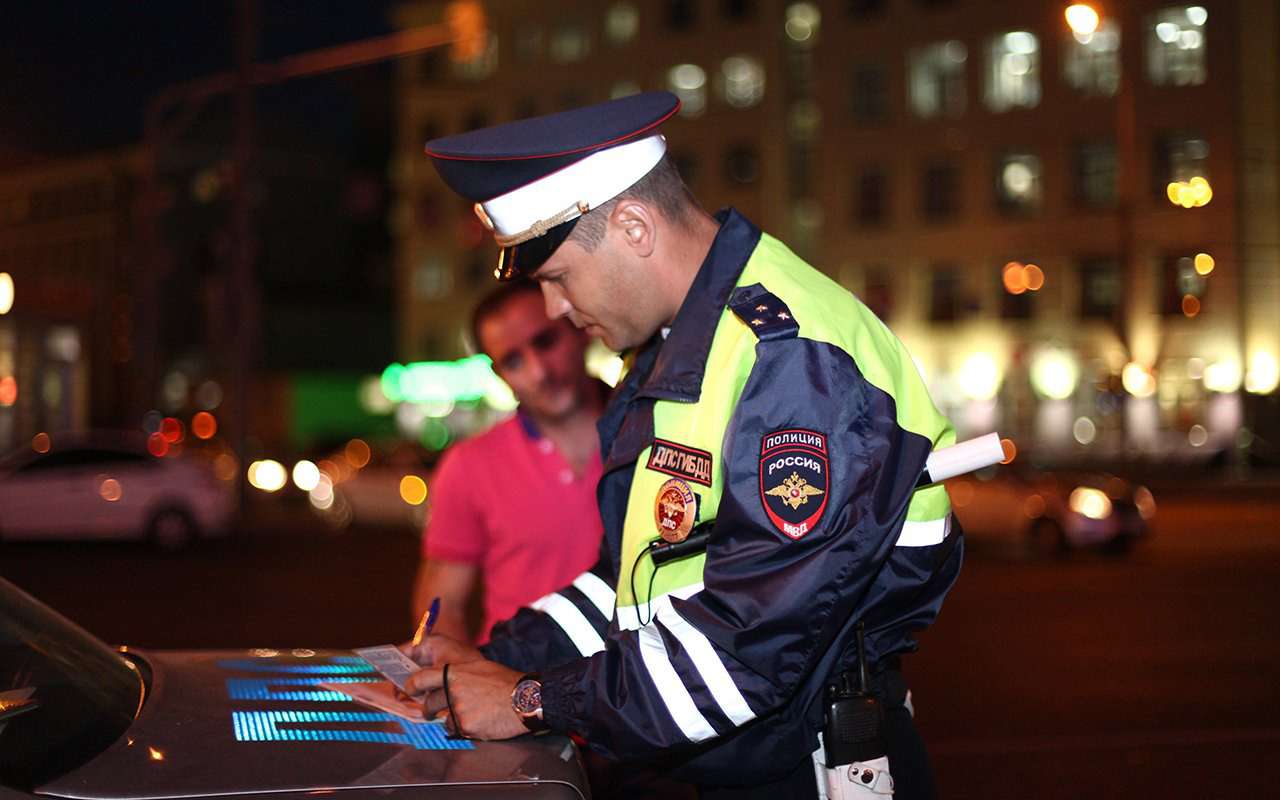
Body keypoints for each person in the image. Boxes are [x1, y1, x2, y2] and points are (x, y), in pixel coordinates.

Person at [404, 91, 960, 800]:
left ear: (634, 226)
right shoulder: (678, 347)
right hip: (738, 757)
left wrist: (529, 699)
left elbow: (746, 653)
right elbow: (639, 578)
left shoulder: (786, 358)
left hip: (813, 769)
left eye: (557, 278)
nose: (555, 310)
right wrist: (492, 658)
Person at [411, 279, 607, 643]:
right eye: (513, 361)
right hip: (514, 675)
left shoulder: (654, 431)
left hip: (637, 674)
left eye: (546, 341)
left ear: (580, 329)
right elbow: (442, 607)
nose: (539, 372)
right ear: (499, 375)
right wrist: (455, 669)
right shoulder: (469, 466)